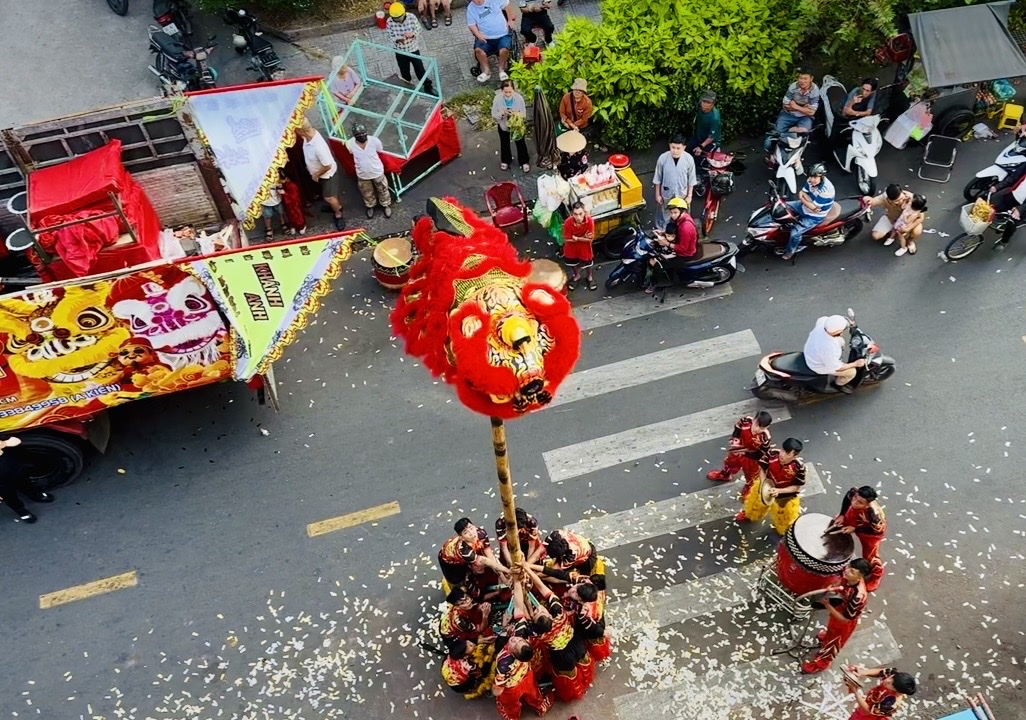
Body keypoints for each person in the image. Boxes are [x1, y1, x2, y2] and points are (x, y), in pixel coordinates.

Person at [522, 564, 589, 702]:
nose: (539, 608)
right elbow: (542, 587)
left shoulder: (537, 632)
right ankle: (585, 680)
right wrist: (527, 569)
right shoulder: (559, 612)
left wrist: (523, 578)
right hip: (576, 643)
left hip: (562, 655)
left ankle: (573, 691)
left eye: (538, 610)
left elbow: (525, 613)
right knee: (582, 666)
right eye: (539, 611)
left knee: (567, 677)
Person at [493, 582, 554, 720]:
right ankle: (540, 707)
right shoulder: (524, 636)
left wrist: (504, 626)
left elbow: (498, 688)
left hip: (512, 687)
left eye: (514, 643)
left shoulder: (504, 661)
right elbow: (519, 607)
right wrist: (518, 583)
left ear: (513, 654)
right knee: (534, 694)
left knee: (511, 705)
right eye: (518, 640)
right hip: (527, 674)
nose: (514, 640)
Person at [801, 558, 871, 674]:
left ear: (860, 577)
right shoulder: (848, 575)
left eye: (852, 572)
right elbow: (840, 579)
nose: (847, 571)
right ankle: (827, 637)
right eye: (849, 567)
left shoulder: (858, 597)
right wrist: (833, 586)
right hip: (840, 607)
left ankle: (822, 663)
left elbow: (844, 619)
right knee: (831, 630)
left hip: (845, 620)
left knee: (835, 642)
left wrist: (827, 604)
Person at [736, 437, 806, 535]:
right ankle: (749, 515)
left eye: (787, 453)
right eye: (782, 450)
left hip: (784, 496)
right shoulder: (772, 454)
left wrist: (778, 491)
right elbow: (762, 468)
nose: (782, 455)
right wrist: (764, 482)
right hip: (766, 486)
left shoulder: (799, 468)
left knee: (783, 517)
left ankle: (782, 530)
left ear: (794, 455)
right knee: (755, 504)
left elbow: (796, 487)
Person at [707, 410, 773, 500]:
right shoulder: (745, 421)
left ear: (767, 427)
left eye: (761, 428)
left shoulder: (765, 438)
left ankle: (749, 487)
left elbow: (758, 455)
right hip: (738, 449)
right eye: (757, 424)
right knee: (729, 463)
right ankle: (725, 475)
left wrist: (743, 453)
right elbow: (737, 428)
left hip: (751, 458)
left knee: (751, 475)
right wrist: (735, 439)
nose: (757, 429)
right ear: (754, 419)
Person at [298, 119, 345, 231]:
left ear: (302, 131)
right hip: (321, 174)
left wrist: (316, 174)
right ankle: (335, 206)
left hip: (327, 175)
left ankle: (338, 212)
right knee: (329, 194)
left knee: (329, 197)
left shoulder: (318, 147)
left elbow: (327, 165)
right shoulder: (308, 136)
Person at [780, 162, 834, 261]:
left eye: (815, 178)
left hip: (814, 216)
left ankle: (791, 250)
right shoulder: (810, 180)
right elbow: (802, 192)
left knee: (794, 233)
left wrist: (804, 199)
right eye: (810, 177)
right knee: (782, 206)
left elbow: (813, 208)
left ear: (821, 177)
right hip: (804, 206)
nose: (812, 180)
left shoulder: (826, 191)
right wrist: (806, 201)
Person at [803, 314, 865, 394]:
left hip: (812, 351)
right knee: (852, 372)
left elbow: (827, 320)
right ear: (839, 332)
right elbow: (837, 367)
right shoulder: (830, 347)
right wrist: (856, 364)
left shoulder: (822, 323)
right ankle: (837, 385)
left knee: (841, 341)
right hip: (817, 365)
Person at [385, 3, 436, 96]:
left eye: (399, 18)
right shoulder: (389, 22)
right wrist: (398, 39)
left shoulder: (411, 17)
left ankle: (428, 87)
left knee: (420, 70)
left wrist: (412, 34)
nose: (397, 21)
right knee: (405, 73)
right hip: (400, 51)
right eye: (395, 19)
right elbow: (389, 36)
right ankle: (408, 89)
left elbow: (419, 29)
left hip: (413, 49)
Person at [438, 517, 506, 586]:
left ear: (474, 526)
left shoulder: (481, 533)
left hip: (467, 553)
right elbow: (484, 561)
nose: (471, 533)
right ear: (461, 537)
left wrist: (502, 576)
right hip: (448, 560)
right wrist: (505, 571)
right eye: (466, 532)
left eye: (471, 528)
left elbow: (489, 554)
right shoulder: (465, 552)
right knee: (459, 580)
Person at [0, 436, 53, 523]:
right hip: (2, 483)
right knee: (10, 497)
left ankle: (34, 495)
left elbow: (16, 440)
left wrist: (5, 443)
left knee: (26, 483)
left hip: (15, 468)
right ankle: (21, 511)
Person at [766, 68, 820, 154]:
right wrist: (804, 108)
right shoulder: (793, 87)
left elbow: (812, 112)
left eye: (805, 79)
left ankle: (791, 132)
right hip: (789, 114)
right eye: (800, 78)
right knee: (777, 132)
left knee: (804, 133)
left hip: (805, 117)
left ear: (811, 78)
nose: (802, 81)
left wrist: (795, 106)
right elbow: (786, 105)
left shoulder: (815, 90)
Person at [344, 123, 392, 220]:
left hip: (377, 171)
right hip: (362, 174)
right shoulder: (349, 144)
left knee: (383, 189)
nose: (362, 137)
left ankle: (386, 204)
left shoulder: (374, 141)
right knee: (366, 192)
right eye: (359, 135)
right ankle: (370, 206)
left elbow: (380, 150)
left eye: (363, 134)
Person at [830, 486, 886, 562]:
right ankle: (833, 545)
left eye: (860, 502)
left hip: (869, 529)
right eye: (855, 497)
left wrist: (855, 529)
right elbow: (848, 497)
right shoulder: (854, 492)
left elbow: (875, 530)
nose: (854, 502)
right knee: (837, 524)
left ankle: (875, 571)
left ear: (867, 505)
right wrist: (842, 515)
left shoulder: (876, 517)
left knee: (870, 555)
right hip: (853, 514)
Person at [652, 135, 697, 229]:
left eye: (678, 148)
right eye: (673, 147)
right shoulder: (662, 158)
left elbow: (691, 179)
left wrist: (689, 195)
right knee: (667, 213)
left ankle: (681, 231)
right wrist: (657, 194)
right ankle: (666, 230)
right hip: (667, 193)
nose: (675, 151)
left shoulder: (689, 159)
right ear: (669, 146)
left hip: (682, 194)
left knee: (682, 215)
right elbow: (658, 178)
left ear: (684, 147)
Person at [467, 0, 516, 84]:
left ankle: (501, 70)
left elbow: (507, 4)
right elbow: (471, 24)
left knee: (504, 49)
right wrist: (478, 35)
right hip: (486, 38)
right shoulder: (471, 8)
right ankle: (486, 71)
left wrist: (510, 20)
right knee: (478, 50)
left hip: (502, 35)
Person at [844, 666, 917, 720]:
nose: (888, 680)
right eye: (891, 677)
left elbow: (868, 710)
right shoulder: (895, 675)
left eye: (891, 684)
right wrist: (863, 672)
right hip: (871, 701)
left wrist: (855, 691)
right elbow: (881, 672)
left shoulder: (890, 703)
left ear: (897, 691)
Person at [492, 80, 530, 173]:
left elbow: (523, 114)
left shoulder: (519, 98)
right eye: (506, 92)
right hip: (503, 125)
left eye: (510, 92)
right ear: (501, 91)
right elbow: (494, 114)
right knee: (504, 143)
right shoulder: (497, 99)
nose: (508, 94)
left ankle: (524, 161)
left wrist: (515, 114)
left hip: (516, 125)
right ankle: (505, 160)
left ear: (513, 90)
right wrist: (501, 113)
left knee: (520, 143)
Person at [986, 161, 1026, 249]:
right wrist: (998, 187)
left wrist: (1020, 209)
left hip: (1022, 206)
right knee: (993, 206)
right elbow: (1013, 177)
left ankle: (1003, 241)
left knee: (1011, 224)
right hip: (1012, 194)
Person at [833, 77, 878, 152]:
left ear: (872, 92)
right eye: (863, 89)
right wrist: (852, 102)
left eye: (867, 91)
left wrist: (855, 113)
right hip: (843, 112)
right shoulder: (855, 92)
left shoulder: (873, 94)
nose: (864, 93)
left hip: (856, 115)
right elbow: (845, 113)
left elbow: (868, 112)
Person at [562, 201, 596, 291]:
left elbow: (590, 239)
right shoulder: (567, 223)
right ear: (572, 213)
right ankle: (577, 276)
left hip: (585, 248)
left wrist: (576, 238)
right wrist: (583, 237)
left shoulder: (590, 222)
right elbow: (566, 239)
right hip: (571, 248)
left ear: (584, 212)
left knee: (588, 263)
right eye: (575, 214)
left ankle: (589, 277)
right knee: (572, 263)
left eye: (580, 214)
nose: (578, 217)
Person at [689, 90, 721, 155]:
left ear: (713, 103)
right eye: (704, 101)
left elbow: (711, 137)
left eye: (708, 102)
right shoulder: (699, 107)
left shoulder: (715, 118)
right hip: (698, 137)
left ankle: (716, 150)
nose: (705, 104)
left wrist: (701, 147)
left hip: (710, 142)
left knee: (703, 159)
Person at [279, 169, 306, 235]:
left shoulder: (293, 185)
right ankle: (292, 225)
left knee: (297, 213)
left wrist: (284, 193)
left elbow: (294, 197)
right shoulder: (283, 184)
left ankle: (302, 226)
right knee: (289, 214)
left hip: (294, 203)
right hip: (287, 203)